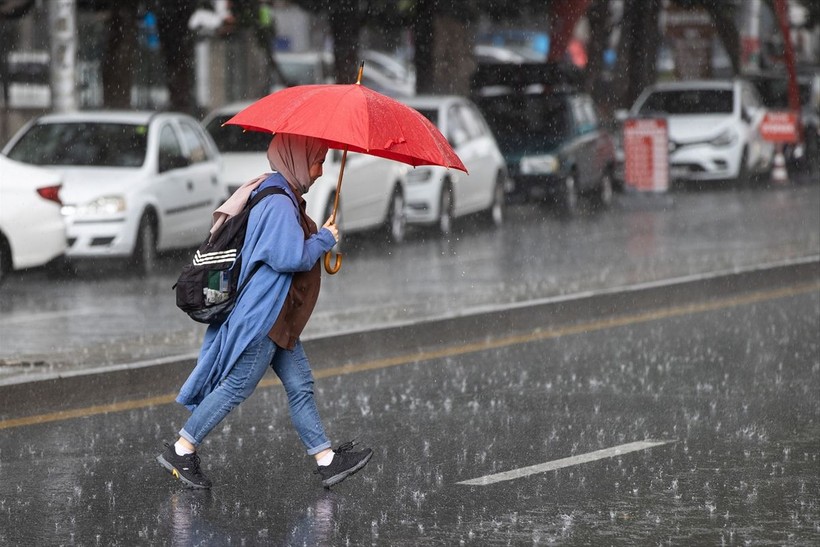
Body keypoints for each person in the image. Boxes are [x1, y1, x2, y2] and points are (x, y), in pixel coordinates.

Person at [157, 133, 373, 489]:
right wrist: (324, 239)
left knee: (300, 384)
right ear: (298, 159)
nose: (320, 171)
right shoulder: (277, 203)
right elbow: (289, 257)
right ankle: (182, 448)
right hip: (265, 315)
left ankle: (327, 460)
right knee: (236, 387)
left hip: (279, 315)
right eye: (317, 161)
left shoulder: (277, 192)